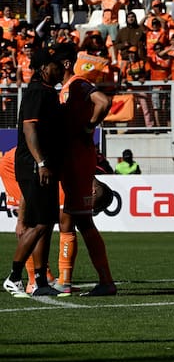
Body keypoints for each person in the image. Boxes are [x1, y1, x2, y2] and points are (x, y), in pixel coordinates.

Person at [54, 45, 116, 296]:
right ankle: (99, 281)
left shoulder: (78, 84)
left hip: (77, 160)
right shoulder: (69, 88)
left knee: (70, 219)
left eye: (55, 64)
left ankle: (66, 280)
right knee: (77, 220)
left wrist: (90, 127)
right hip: (74, 160)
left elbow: (103, 101)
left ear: (66, 64)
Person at [3, 48, 65, 297]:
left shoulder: (48, 93)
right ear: (43, 69)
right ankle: (14, 277)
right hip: (33, 166)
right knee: (39, 224)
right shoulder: (37, 93)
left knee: (47, 223)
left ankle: (40, 280)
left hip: (42, 166)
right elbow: (30, 130)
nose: (59, 68)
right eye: (54, 65)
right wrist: (41, 163)